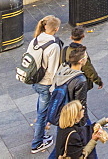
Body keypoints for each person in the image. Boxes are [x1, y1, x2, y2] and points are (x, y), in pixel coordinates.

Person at [28, 16, 63, 154]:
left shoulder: (35, 40)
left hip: (34, 80)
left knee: (41, 107)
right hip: (45, 83)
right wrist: (54, 88)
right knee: (42, 114)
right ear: (56, 29)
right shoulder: (54, 46)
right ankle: (37, 144)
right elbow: (53, 70)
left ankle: (41, 133)